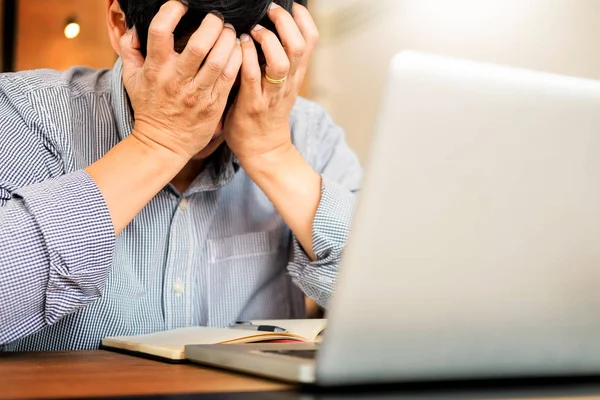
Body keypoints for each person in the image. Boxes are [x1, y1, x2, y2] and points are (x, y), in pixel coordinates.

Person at [0, 0, 361, 351]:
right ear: (121, 25)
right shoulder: (24, 115)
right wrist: (156, 143)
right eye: (197, 66)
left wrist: (273, 155)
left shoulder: (311, 134)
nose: (212, 100)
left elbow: (402, 308)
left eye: (247, 71)